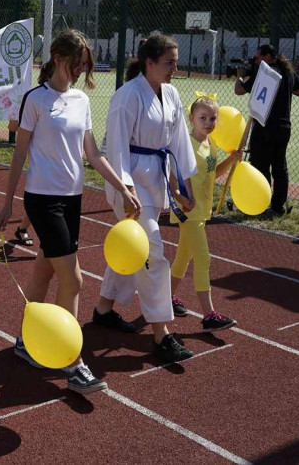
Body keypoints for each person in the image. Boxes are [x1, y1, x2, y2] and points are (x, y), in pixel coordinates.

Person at [0, 30, 140, 393]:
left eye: (84, 66)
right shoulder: (36, 100)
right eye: (76, 64)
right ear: (58, 59)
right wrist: (7, 201)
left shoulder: (81, 101)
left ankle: (27, 342)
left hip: (71, 199)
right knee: (73, 280)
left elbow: (92, 154)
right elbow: (18, 155)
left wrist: (122, 187)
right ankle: (73, 363)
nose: (79, 71)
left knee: (44, 270)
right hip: (42, 200)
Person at [94, 34, 198, 364]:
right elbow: (116, 148)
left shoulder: (171, 94)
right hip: (129, 184)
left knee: (131, 250)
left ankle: (104, 309)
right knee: (153, 252)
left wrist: (184, 186)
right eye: (169, 63)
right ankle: (161, 333)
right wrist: (126, 189)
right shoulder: (127, 96)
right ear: (149, 63)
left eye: (176, 63)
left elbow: (179, 143)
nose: (174, 69)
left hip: (155, 180)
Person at [168, 94, 241, 330]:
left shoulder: (212, 145)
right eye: (202, 118)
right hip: (188, 211)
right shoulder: (186, 144)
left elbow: (213, 173)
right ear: (191, 119)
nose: (208, 123)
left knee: (184, 256)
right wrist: (179, 197)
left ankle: (165, 299)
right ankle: (209, 314)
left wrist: (232, 159)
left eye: (212, 118)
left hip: (202, 210)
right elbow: (174, 176)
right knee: (203, 258)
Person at [234, 44, 299, 217]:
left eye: (258, 57)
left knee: (260, 168)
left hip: (263, 127)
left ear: (268, 57)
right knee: (280, 168)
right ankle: (278, 207)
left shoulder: (264, 74)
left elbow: (239, 90)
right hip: (284, 127)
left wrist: (240, 77)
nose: (256, 61)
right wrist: (288, 88)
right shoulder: (288, 72)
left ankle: (261, 204)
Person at [6, 117, 33, 246]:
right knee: (40, 203)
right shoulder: (28, 100)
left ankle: (22, 228)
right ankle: (22, 229)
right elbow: (11, 127)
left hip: (62, 163)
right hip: (39, 160)